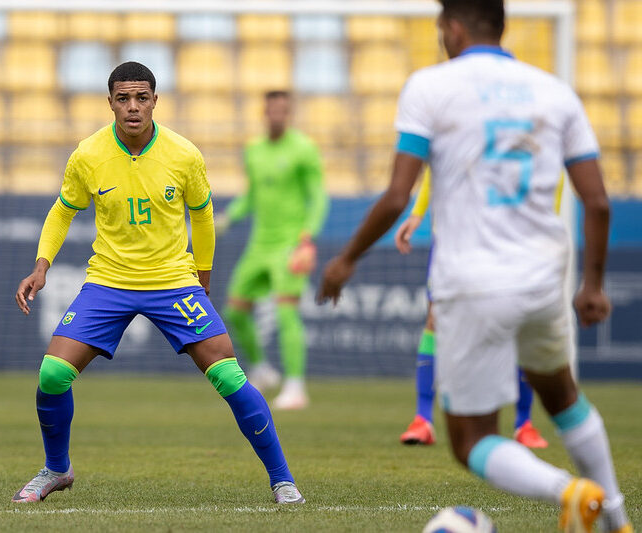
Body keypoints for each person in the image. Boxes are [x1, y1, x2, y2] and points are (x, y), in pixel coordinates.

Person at [317, 1, 631, 531]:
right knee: (565, 400)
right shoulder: (555, 92)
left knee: (470, 439)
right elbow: (598, 202)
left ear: (453, 27)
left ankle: (571, 492)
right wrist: (593, 285)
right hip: (544, 280)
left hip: (473, 283)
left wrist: (346, 260)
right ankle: (616, 518)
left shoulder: (430, 87)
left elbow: (398, 196)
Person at [12, 62, 304, 505]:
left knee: (229, 375)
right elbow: (62, 210)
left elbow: (203, 215)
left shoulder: (183, 154)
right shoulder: (88, 154)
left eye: (141, 98)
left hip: (172, 281)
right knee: (52, 374)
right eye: (123, 98)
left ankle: (282, 480)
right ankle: (57, 469)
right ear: (110, 102)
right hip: (109, 280)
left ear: (155, 101)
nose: (133, 107)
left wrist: (202, 277)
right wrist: (42, 264)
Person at [396, 174, 548, 449]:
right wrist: (418, 214)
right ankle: (422, 420)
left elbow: (547, 176)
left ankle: (523, 423)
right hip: (452, 240)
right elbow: (435, 168)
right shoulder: (451, 132)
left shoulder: (515, 134)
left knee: (517, 323)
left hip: (506, 239)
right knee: (435, 320)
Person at [217, 91, 328, 410]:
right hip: (259, 245)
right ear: (264, 112)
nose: (277, 116)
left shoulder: (303, 148)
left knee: (286, 310)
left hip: (290, 244)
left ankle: (296, 386)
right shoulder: (253, 150)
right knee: (235, 310)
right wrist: (229, 217)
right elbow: (251, 196)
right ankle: (263, 370)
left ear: (288, 113)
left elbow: (318, 197)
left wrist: (307, 238)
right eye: (272, 111)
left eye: (283, 111)